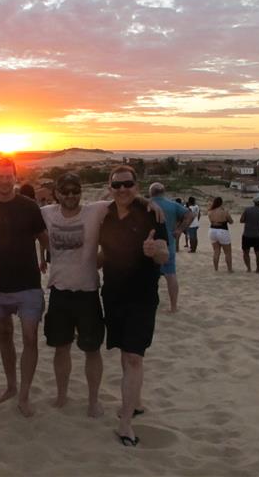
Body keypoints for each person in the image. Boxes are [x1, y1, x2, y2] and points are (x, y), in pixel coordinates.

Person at [99, 165, 169, 447]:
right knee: (125, 351)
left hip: (142, 296)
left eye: (127, 184)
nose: (122, 189)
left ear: (136, 185)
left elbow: (164, 255)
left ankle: (125, 422)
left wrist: (155, 252)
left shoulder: (152, 214)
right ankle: (135, 402)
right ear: (110, 188)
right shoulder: (105, 214)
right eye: (116, 185)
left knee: (133, 357)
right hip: (113, 295)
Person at [0, 158, 48, 417]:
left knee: (30, 337)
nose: (5, 181)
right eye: (0, 176)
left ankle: (24, 395)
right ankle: (11, 386)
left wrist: (47, 260)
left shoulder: (29, 207)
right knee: (4, 334)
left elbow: (45, 240)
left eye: (9, 176)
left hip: (28, 283)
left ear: (15, 177)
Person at [39, 173, 107, 418]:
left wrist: (150, 202)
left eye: (75, 190)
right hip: (59, 292)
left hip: (88, 292)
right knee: (61, 348)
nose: (70, 195)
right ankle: (61, 395)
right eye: (65, 191)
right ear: (56, 193)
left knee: (92, 349)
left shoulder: (95, 211)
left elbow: (128, 199)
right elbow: (19, 212)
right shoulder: (46, 213)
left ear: (81, 191)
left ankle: (93, 400)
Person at [148, 183, 194, 313]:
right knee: (171, 275)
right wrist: (180, 230)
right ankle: (173, 306)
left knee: (149, 277)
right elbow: (190, 215)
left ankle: (151, 305)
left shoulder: (147, 204)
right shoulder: (172, 205)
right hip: (168, 244)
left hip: (149, 245)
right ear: (163, 192)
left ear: (150, 193)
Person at [240, 193, 259, 273]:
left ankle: (248, 268)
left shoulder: (247, 210)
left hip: (247, 235)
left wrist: (249, 220)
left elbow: (241, 220)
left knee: (246, 252)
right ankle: (258, 270)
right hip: (258, 236)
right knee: (258, 252)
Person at [207, 197, 234, 273]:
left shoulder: (210, 211)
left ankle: (216, 269)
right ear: (221, 203)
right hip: (222, 230)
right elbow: (231, 221)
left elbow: (211, 221)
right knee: (227, 252)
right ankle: (229, 269)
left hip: (212, 230)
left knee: (216, 251)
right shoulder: (224, 211)